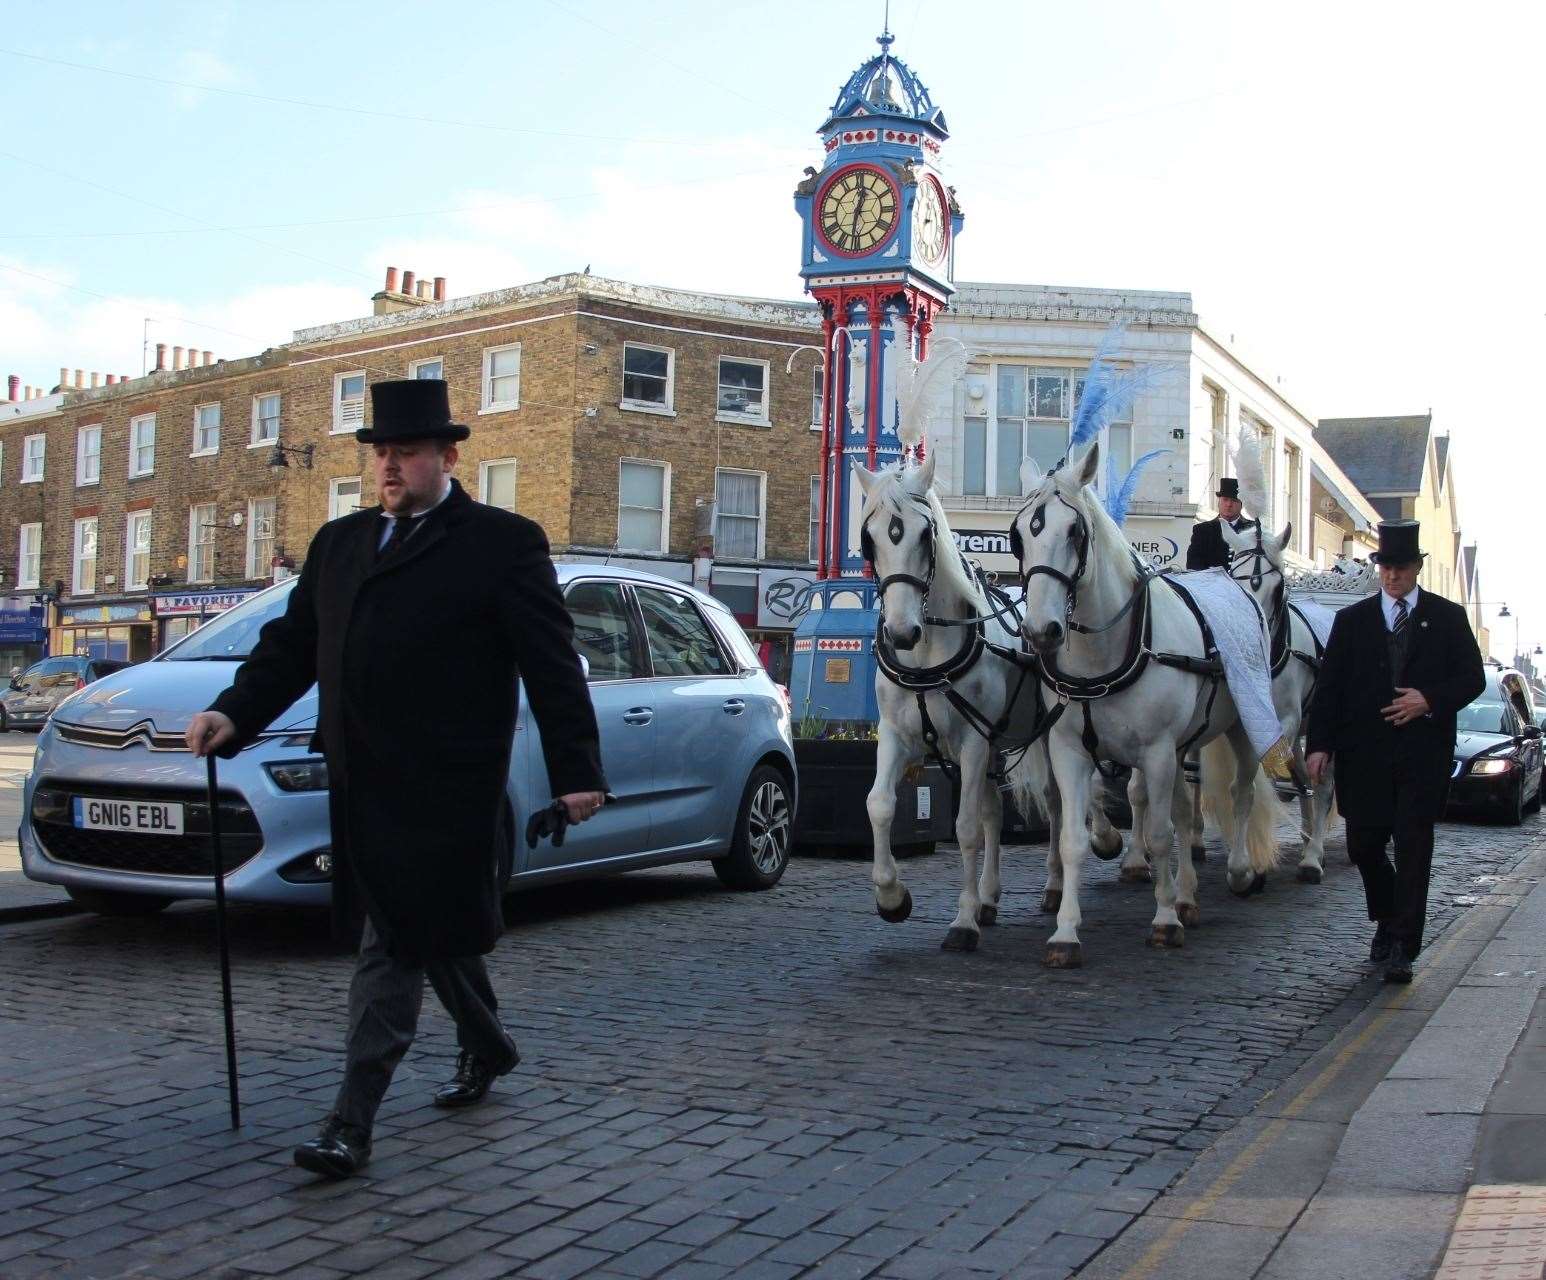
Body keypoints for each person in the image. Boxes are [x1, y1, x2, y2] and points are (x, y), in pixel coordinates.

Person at [186, 379, 608, 1179]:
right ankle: (488, 1043)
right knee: (427, 933)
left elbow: (551, 665)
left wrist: (576, 772)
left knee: (391, 947)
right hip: (359, 781)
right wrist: (232, 713)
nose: (389, 466)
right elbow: (289, 646)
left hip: (447, 787)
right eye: (381, 452)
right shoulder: (339, 545)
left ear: (448, 458)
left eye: (406, 452)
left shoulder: (501, 543)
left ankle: (351, 1121)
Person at [1306, 520, 1484, 984]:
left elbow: (1472, 679)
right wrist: (1319, 745)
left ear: (1416, 569)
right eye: (1385, 568)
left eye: (1401, 569)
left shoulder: (1447, 618)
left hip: (1422, 758)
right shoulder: (1352, 621)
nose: (1391, 577)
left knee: (1413, 849)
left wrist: (1429, 698)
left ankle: (1403, 944)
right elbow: (1329, 689)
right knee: (1363, 846)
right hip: (1363, 756)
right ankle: (1387, 915)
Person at [1186, 478, 1257, 570]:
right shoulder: (1203, 530)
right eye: (1225, 499)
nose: (1229, 504)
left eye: (1234, 500)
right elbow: (1193, 564)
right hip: (1213, 583)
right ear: (1219, 502)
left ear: (1241, 504)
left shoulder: (1253, 529)